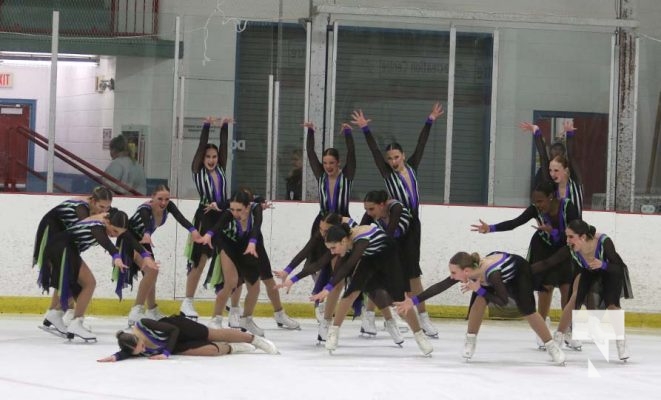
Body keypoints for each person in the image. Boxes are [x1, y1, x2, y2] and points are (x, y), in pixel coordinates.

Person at [352, 103, 444, 337]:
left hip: (412, 227)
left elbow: (422, 143)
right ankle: (369, 316)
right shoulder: (387, 174)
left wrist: (430, 120)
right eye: (390, 158)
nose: (393, 161)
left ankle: (423, 317)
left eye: (396, 157)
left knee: (413, 273)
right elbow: (374, 152)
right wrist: (364, 129)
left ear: (403, 155)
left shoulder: (412, 167)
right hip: (394, 222)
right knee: (382, 268)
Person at [394, 251, 566, 365]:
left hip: (519, 274)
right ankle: (470, 341)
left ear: (467, 271)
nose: (452, 277)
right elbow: (441, 286)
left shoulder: (492, 274)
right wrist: (413, 301)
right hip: (490, 276)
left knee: (528, 310)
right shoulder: (471, 271)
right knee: (479, 301)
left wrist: (480, 289)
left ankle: (551, 346)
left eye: (454, 273)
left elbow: (503, 301)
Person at [470, 181, 579, 348]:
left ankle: (567, 331)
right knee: (545, 287)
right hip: (542, 247)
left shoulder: (568, 207)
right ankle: (542, 328)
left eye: (540, 201)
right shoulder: (535, 208)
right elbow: (515, 223)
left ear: (551, 197)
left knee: (567, 288)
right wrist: (490, 228)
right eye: (534, 202)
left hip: (565, 248)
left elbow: (576, 231)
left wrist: (554, 232)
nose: (537, 205)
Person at [308, 223, 434, 356]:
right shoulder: (347, 243)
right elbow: (330, 267)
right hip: (369, 258)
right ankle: (334, 332)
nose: (332, 252)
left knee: (400, 300)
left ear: (343, 241)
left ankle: (420, 336)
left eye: (333, 248)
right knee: (351, 292)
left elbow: (349, 265)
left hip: (389, 258)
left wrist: (328, 289)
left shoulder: (361, 240)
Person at [40, 209, 157, 341]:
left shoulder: (108, 223)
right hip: (62, 248)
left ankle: (56, 314)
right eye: (114, 231)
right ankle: (75, 323)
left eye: (117, 233)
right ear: (107, 222)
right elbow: (104, 241)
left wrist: (146, 255)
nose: (114, 235)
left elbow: (129, 238)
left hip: (61, 247)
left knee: (80, 284)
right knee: (89, 283)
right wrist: (116, 255)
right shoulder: (97, 226)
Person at [531, 220, 633, 361]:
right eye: (567, 236)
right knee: (575, 298)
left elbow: (619, 268)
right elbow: (548, 263)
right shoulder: (571, 248)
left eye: (571, 237)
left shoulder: (604, 242)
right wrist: (524, 271)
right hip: (589, 271)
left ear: (583, 237)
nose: (567, 241)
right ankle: (558, 338)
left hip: (610, 272)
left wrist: (602, 264)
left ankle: (621, 343)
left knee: (612, 304)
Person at [200, 190, 297, 336]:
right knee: (231, 283)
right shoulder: (229, 214)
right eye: (232, 209)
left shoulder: (256, 209)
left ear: (248, 206)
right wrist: (208, 235)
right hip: (230, 245)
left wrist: (252, 243)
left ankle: (246, 319)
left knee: (255, 287)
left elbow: (257, 226)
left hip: (251, 245)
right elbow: (218, 226)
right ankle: (216, 318)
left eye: (239, 210)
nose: (235, 213)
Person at [115, 184, 203, 326]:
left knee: (152, 273)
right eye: (160, 199)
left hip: (143, 241)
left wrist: (193, 230)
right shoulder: (145, 209)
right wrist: (148, 234)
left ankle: (151, 310)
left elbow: (180, 218)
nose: (163, 203)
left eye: (166, 199)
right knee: (151, 271)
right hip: (129, 240)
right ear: (152, 198)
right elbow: (147, 223)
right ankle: (136, 310)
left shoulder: (169, 206)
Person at [34, 186, 113, 329]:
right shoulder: (81, 207)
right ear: (93, 201)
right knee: (70, 275)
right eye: (101, 206)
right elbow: (87, 225)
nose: (104, 211)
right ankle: (60, 314)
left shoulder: (97, 212)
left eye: (108, 208)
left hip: (63, 238)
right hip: (52, 231)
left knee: (66, 274)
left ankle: (54, 313)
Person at [359, 190, 431, 337]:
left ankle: (419, 318)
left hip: (407, 243)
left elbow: (390, 233)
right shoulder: (371, 214)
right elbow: (360, 230)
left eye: (371, 209)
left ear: (382, 204)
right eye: (366, 209)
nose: (368, 213)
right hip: (392, 244)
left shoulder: (396, 208)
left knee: (411, 280)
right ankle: (370, 316)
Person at [180, 117, 232, 320]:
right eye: (208, 156)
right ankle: (187, 301)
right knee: (199, 261)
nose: (211, 159)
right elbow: (202, 145)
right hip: (205, 217)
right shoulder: (197, 170)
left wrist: (225, 126)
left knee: (226, 258)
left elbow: (225, 144)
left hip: (222, 217)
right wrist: (207, 126)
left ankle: (224, 295)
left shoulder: (221, 167)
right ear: (202, 158)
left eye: (214, 156)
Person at [304, 121, 356, 319]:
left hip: (342, 223)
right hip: (323, 223)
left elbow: (352, 154)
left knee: (342, 265)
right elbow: (310, 154)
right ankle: (318, 301)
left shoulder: (347, 176)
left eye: (331, 163)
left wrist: (348, 134)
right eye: (325, 163)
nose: (327, 166)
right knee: (319, 263)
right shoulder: (320, 176)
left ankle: (355, 304)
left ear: (338, 163)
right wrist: (310, 132)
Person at [274, 213, 350, 342]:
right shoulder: (323, 236)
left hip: (352, 254)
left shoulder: (348, 231)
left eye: (325, 230)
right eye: (320, 229)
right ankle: (326, 321)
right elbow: (307, 251)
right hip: (326, 256)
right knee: (336, 285)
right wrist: (288, 272)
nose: (321, 233)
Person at [97, 314, 279, 362]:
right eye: (140, 353)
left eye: (142, 347)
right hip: (173, 345)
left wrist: (166, 353)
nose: (143, 351)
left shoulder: (143, 324)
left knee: (213, 334)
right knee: (210, 351)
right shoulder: (131, 347)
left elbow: (174, 330)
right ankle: (235, 348)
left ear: (137, 339)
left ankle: (255, 340)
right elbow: (126, 352)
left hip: (179, 328)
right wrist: (114, 357)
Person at [520, 121, 583, 217]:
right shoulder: (551, 181)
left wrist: (570, 134)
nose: (552, 173)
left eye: (556, 170)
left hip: (574, 229)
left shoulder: (574, 179)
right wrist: (536, 132)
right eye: (550, 169)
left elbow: (571, 156)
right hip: (557, 229)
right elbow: (543, 157)